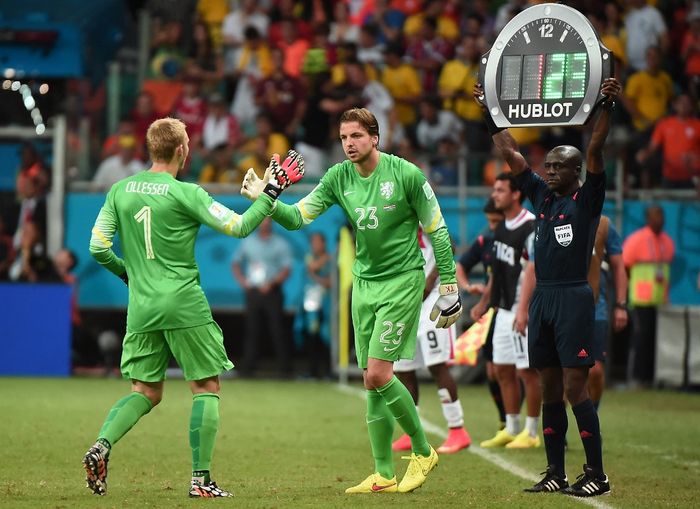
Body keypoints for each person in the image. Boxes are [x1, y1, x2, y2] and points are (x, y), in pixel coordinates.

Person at [240, 107, 461, 493]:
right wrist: (268, 198)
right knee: (370, 382)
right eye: (343, 138)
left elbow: (439, 232)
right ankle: (383, 474)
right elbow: (297, 218)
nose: (349, 144)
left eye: (356, 136)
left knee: (379, 374)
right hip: (364, 282)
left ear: (375, 138)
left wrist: (448, 286)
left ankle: (424, 452)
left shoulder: (406, 174)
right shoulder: (338, 177)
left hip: (402, 281)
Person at [83, 117, 304, 498]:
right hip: (183, 303)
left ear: (151, 149)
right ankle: (200, 480)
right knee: (206, 386)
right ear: (182, 151)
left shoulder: (119, 190)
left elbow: (98, 247)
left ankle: (102, 445)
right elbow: (239, 227)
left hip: (142, 307)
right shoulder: (187, 193)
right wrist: (272, 191)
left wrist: (129, 275)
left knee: (145, 391)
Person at [474, 76, 621, 497]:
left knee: (576, 386)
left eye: (559, 167)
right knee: (550, 386)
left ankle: (597, 474)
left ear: (577, 172)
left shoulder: (588, 200)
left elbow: (595, 147)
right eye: (549, 166)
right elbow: (510, 152)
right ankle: (555, 471)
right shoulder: (541, 197)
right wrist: (488, 111)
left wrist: (606, 107)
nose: (551, 171)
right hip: (543, 299)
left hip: (574, 296)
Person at [470, 173, 541, 450]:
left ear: (515, 194)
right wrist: (483, 303)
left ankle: (532, 432)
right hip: (502, 309)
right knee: (502, 369)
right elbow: (496, 274)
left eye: (500, 190)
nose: (494, 195)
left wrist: (523, 310)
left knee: (527, 372)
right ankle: (511, 427)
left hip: (521, 310)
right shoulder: (501, 228)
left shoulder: (531, 226)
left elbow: (533, 270)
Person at [392, 227, 472, 454]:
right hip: (405, 297)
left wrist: (430, 279)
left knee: (436, 364)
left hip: (434, 297)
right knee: (403, 368)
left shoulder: (422, 207)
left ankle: (457, 430)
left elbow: (450, 244)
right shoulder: (387, 212)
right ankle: (412, 431)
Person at [456, 198, 507, 431]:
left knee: (522, 372)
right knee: (493, 370)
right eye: (490, 221)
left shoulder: (522, 237)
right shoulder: (485, 241)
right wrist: (467, 287)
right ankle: (505, 421)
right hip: (493, 311)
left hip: (515, 309)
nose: (493, 226)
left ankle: (526, 425)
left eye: (497, 221)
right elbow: (460, 266)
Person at [231, 217, 293, 377]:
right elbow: (236, 262)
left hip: (272, 291)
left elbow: (286, 269)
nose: (265, 224)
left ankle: (285, 369)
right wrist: (243, 282)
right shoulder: (248, 242)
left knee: (277, 329)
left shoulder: (280, 244)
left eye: (268, 222)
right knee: (252, 330)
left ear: (272, 224)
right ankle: (248, 368)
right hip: (254, 291)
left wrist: (272, 284)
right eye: (262, 222)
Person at [622, 205, 675, 387]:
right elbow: (625, 267)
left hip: (660, 301)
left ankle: (651, 378)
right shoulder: (636, 240)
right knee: (640, 339)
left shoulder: (667, 242)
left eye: (661, 216)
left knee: (655, 341)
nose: (659, 220)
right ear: (647, 219)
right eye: (655, 216)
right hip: (641, 300)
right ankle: (636, 378)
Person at [586, 216, 628, 409]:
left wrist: (621, 305)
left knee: (594, 370)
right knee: (561, 371)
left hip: (595, 307)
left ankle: (592, 420)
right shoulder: (553, 218)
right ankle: (559, 428)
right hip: (563, 307)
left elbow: (619, 266)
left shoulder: (602, 224)